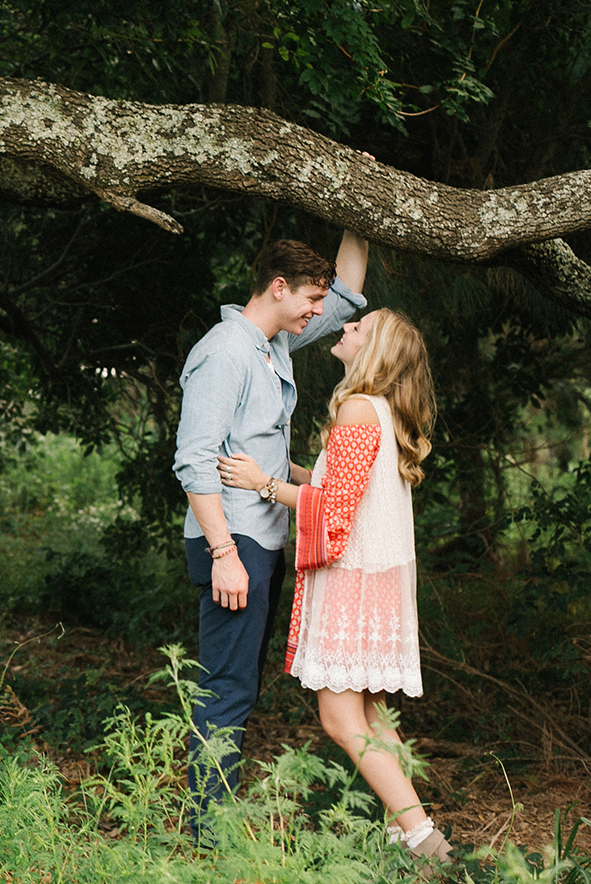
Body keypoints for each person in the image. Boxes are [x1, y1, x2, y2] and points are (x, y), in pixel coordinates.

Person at [217, 307, 450, 863]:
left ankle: (422, 843)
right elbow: (338, 486)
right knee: (369, 717)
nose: (344, 328)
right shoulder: (383, 412)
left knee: (341, 719)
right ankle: (412, 835)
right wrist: (285, 471)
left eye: (357, 328)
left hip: (353, 584)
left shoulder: (355, 409)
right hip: (381, 583)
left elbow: (335, 508)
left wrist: (263, 484)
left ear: (374, 353)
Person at [171, 231, 369, 831]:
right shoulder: (225, 350)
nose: (318, 313)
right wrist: (223, 552)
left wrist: (361, 209)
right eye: (310, 299)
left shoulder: (271, 342)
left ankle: (214, 816)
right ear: (278, 288)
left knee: (240, 684)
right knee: (227, 686)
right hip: (232, 540)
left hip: (262, 537)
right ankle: (207, 829)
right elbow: (193, 459)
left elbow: (348, 293)